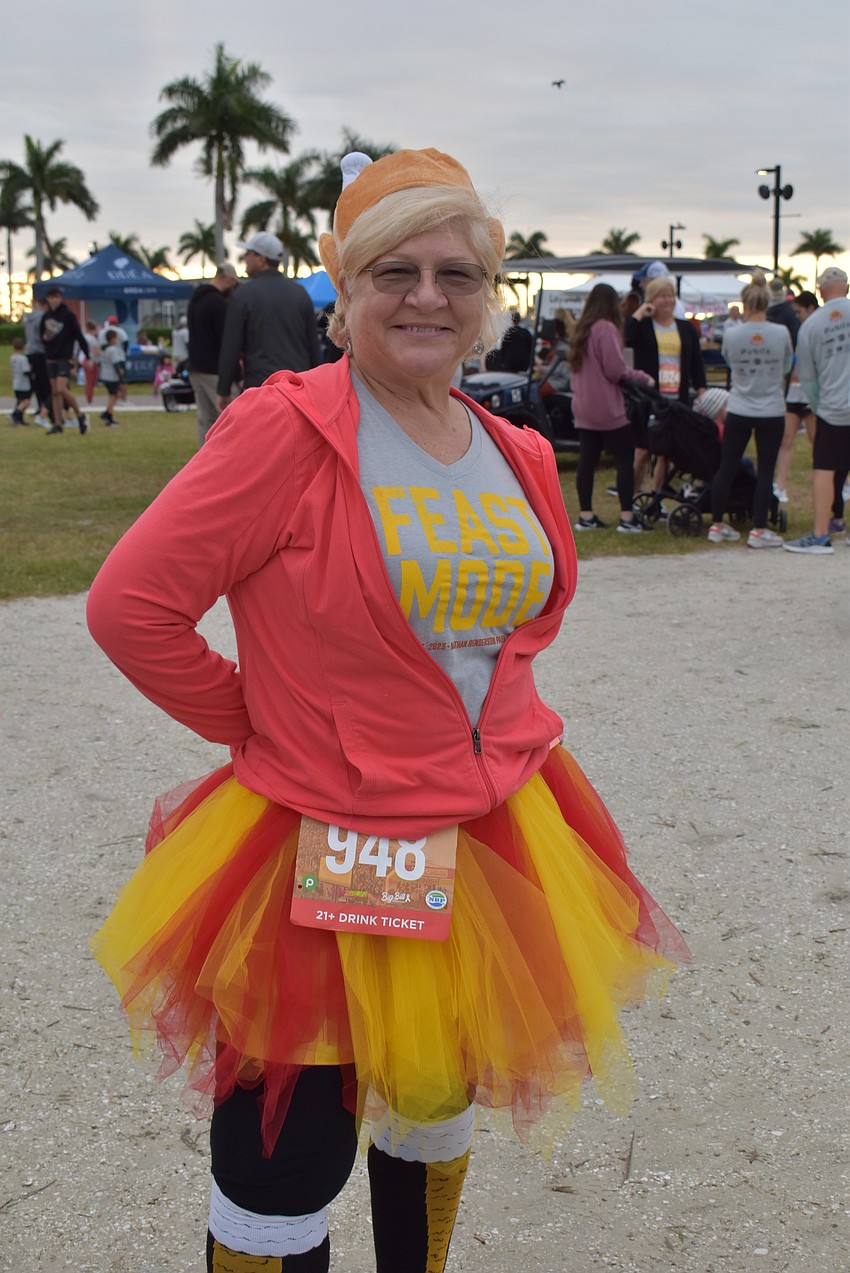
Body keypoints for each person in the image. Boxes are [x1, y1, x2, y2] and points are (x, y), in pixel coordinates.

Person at [86, 146, 687, 1273]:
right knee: (288, 1153)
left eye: (455, 274)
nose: (426, 296)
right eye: (392, 271)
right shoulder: (286, 429)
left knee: (429, 1093)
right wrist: (255, 720)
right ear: (343, 291)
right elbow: (133, 607)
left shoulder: (512, 447)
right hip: (325, 827)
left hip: (488, 824)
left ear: (487, 297)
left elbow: (518, 626)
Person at [707, 275, 792, 548]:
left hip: (740, 406)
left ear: (744, 303)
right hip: (771, 408)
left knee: (727, 466)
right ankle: (758, 528)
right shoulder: (780, 333)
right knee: (766, 470)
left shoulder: (732, 333)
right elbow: (788, 365)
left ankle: (717, 524)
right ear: (767, 302)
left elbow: (729, 362)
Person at [567, 282, 654, 533]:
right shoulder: (606, 329)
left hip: (583, 407)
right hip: (606, 407)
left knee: (587, 460)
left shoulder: (581, 330)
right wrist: (641, 376)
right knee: (625, 457)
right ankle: (627, 517)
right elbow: (616, 370)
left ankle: (586, 515)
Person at [216, 230, 322, 410]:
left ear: (261, 258)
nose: (245, 259)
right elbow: (313, 345)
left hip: (261, 388)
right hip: (298, 388)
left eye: (248, 254)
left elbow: (231, 346)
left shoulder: (243, 295)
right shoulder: (300, 293)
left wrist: (223, 389)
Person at [784, 266, 850, 554]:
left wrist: (819, 405)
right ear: (846, 287)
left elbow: (806, 377)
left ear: (821, 292)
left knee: (824, 468)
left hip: (832, 408)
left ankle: (821, 534)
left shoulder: (811, 325)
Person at [626, 276, 706, 494]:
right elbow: (624, 336)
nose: (667, 300)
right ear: (651, 299)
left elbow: (696, 363)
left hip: (675, 399)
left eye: (670, 295)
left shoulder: (685, 328)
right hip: (648, 399)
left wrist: (701, 389)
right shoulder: (643, 327)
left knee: (667, 453)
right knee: (642, 451)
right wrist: (641, 312)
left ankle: (657, 496)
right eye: (662, 296)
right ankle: (632, 498)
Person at [773, 290, 819, 504]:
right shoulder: (802, 329)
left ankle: (840, 483)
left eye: (799, 312)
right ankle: (780, 486)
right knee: (785, 438)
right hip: (795, 393)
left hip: (811, 394)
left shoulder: (817, 328)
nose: (796, 316)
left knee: (816, 441)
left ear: (810, 309)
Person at [186, 262, 239, 444]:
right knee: (233, 418)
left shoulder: (195, 299)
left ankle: (205, 460)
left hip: (196, 367)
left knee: (206, 419)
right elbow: (226, 341)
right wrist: (235, 373)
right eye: (234, 282)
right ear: (228, 279)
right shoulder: (218, 304)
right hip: (214, 370)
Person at [40, 286, 90, 435]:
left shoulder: (67, 315)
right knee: (55, 392)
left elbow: (78, 335)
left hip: (64, 357)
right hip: (50, 358)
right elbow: (42, 336)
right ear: (48, 299)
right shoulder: (46, 316)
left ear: (60, 298)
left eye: (56, 297)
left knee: (62, 388)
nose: (53, 300)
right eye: (51, 297)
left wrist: (86, 355)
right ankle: (57, 423)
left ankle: (80, 415)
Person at [23, 297, 54, 425]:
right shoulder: (43, 317)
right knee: (47, 385)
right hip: (40, 352)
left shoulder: (27, 318)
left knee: (38, 385)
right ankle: (48, 413)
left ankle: (42, 408)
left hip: (30, 351)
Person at [98, 330, 124, 426]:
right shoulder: (113, 350)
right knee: (115, 395)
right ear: (113, 339)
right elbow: (116, 363)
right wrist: (121, 376)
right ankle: (107, 412)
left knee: (111, 396)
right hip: (112, 376)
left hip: (105, 374)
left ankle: (110, 416)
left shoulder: (105, 349)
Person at [9, 337, 32, 425]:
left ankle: (20, 419)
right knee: (26, 401)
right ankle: (15, 414)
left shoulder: (12, 358)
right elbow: (26, 370)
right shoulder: (23, 359)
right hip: (24, 384)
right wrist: (32, 374)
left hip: (16, 383)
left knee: (19, 401)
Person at [83, 321, 102, 404]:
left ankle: (89, 398)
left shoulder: (84, 337)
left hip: (85, 360)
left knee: (89, 381)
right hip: (91, 361)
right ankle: (89, 400)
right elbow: (95, 351)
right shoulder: (92, 339)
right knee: (91, 382)